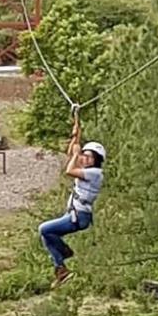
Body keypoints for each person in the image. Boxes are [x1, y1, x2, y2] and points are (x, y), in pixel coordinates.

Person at [38, 110, 104, 286]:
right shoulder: (87, 170)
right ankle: (61, 268)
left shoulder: (95, 173)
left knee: (44, 229)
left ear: (96, 160)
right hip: (74, 214)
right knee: (46, 234)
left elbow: (69, 170)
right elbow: (70, 154)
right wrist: (76, 134)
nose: (85, 158)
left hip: (80, 217)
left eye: (89, 157)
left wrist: (76, 154)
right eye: (85, 155)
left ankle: (64, 255)